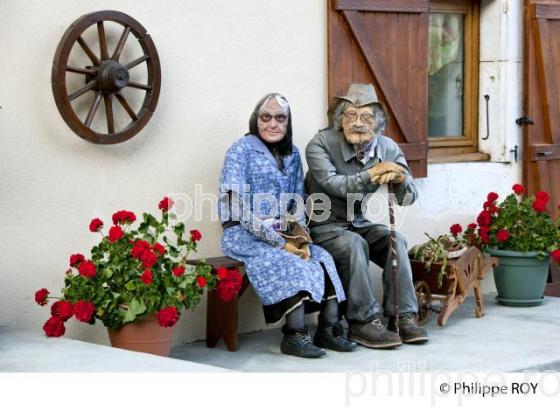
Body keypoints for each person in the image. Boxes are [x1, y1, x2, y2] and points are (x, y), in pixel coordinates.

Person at [218, 93, 357, 358]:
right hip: (245, 233)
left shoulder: (292, 154)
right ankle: (294, 336)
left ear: (288, 122)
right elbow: (236, 204)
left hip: (284, 232)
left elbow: (298, 202)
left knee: (321, 257)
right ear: (255, 120)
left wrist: (300, 235)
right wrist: (277, 240)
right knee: (288, 261)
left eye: (280, 118)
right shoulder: (241, 150)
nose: (273, 124)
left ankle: (328, 330)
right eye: (265, 117)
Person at [304, 83, 428, 349]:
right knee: (353, 244)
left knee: (396, 241)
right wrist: (372, 174)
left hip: (357, 222)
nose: (358, 123)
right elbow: (334, 184)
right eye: (350, 115)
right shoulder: (320, 143)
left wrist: (400, 179)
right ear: (339, 120)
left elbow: (407, 198)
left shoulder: (388, 148)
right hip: (323, 224)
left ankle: (403, 316)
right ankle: (362, 322)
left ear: (379, 123)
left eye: (367, 117)